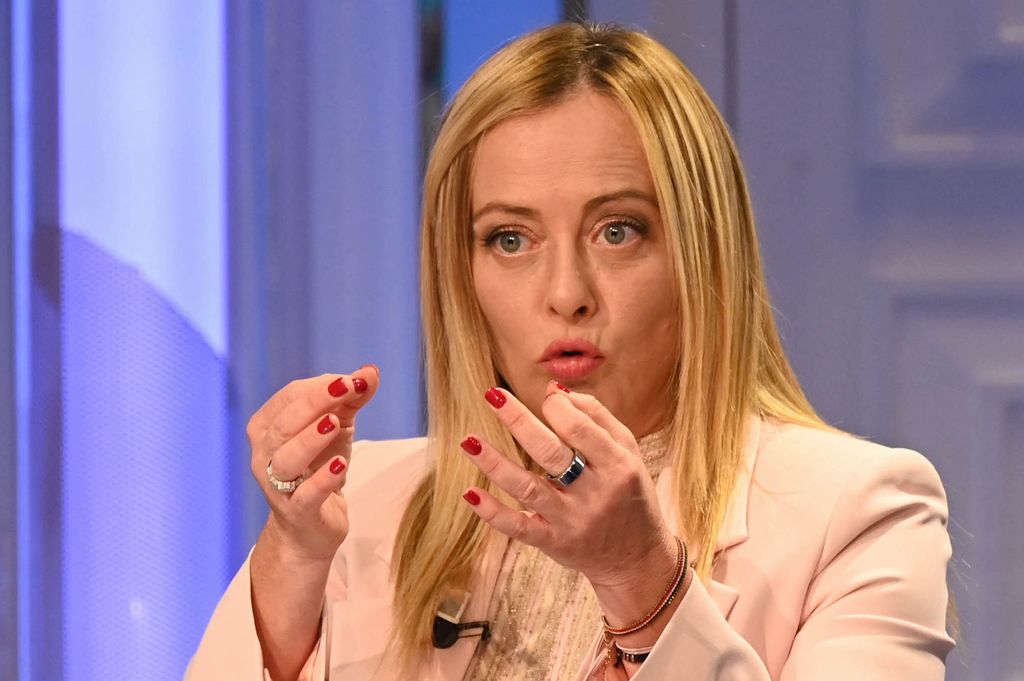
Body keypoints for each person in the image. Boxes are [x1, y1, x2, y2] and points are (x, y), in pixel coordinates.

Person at [186, 22, 955, 681]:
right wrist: (292, 558)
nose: (566, 293)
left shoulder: (858, 512)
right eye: (509, 239)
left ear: (704, 254)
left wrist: (642, 582)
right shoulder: (361, 510)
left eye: (617, 230)